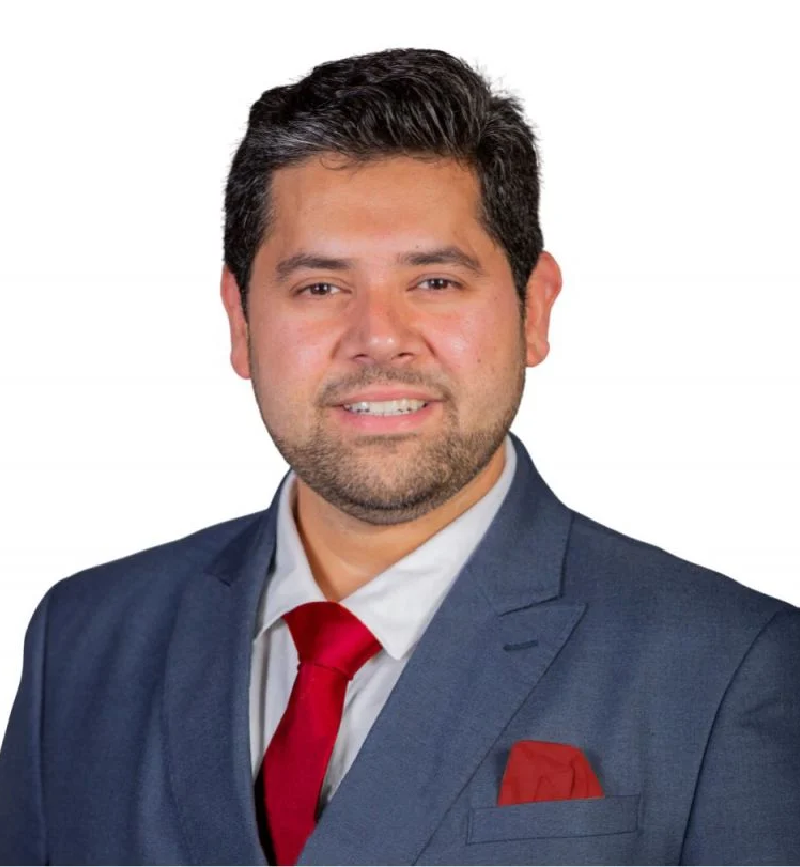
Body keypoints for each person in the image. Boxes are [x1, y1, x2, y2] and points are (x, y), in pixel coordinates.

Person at [1, 46, 798, 866]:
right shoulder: (84, 641)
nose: (378, 338)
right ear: (240, 322)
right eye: (320, 287)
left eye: (435, 282)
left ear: (533, 309)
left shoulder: (729, 666)